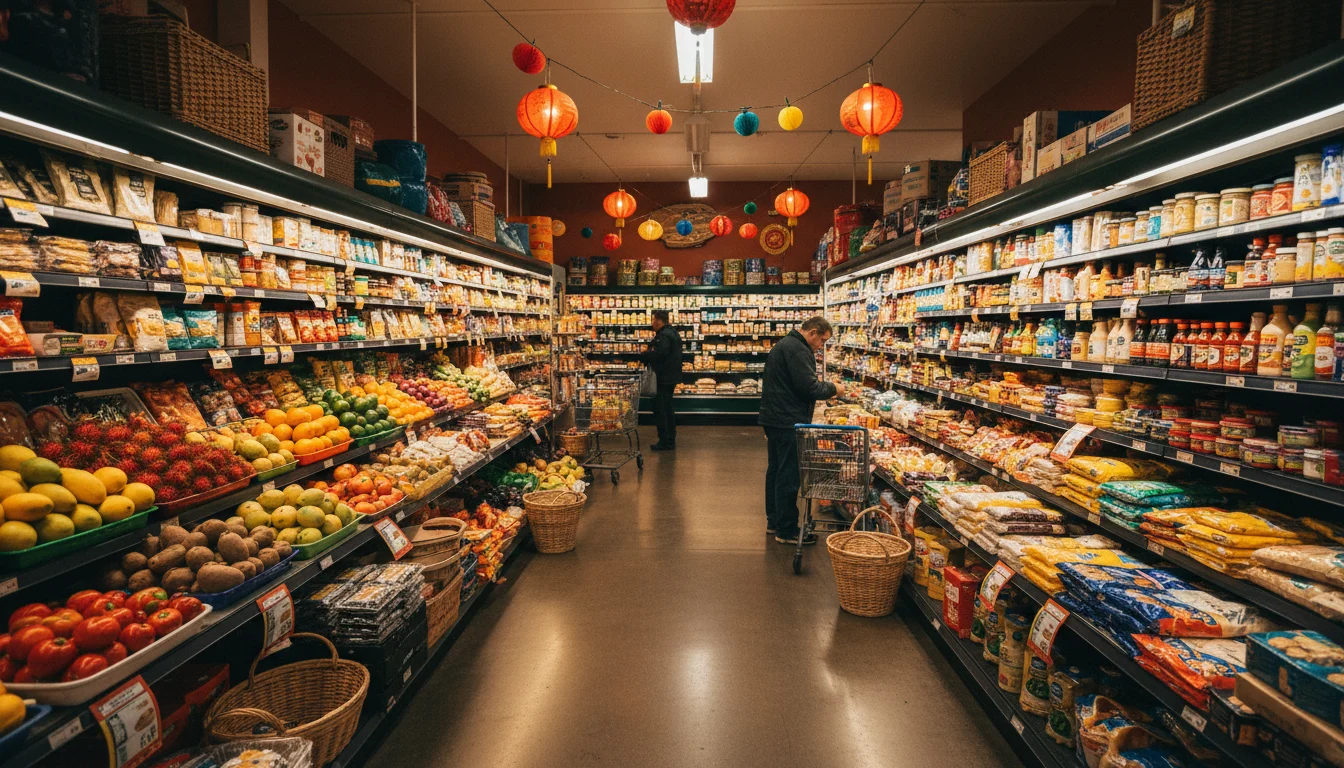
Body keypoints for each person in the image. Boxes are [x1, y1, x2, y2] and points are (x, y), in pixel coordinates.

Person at [759, 316, 837, 545]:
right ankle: (787, 530)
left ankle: (774, 522)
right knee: (788, 474)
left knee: (775, 470)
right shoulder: (798, 349)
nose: (821, 345)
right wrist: (834, 389)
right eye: (822, 340)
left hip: (775, 417)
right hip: (787, 420)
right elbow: (809, 387)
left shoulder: (785, 344)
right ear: (813, 332)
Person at [640, 309, 683, 451]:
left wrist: (645, 354)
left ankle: (665, 440)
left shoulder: (663, 336)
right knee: (668, 408)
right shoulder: (673, 333)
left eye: (653, 320)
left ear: (659, 321)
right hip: (671, 377)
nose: (652, 323)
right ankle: (670, 438)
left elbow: (660, 353)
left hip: (663, 378)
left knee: (661, 409)